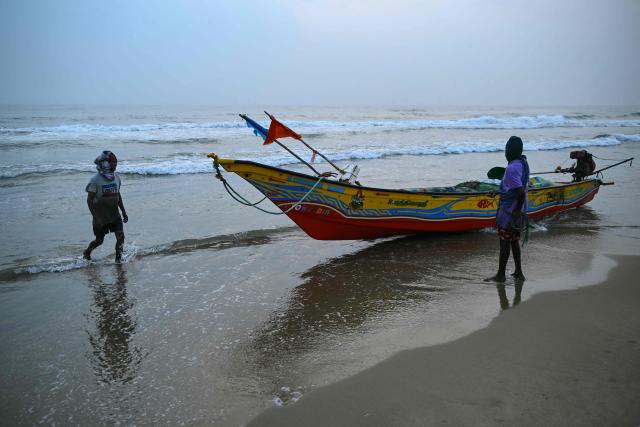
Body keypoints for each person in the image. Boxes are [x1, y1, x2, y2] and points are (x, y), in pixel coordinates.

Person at [485, 136, 530, 283]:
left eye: (507, 149)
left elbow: (520, 192)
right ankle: (518, 272)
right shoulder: (522, 163)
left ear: (509, 152)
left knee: (504, 242)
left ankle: (500, 275)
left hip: (510, 213)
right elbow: (512, 188)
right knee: (514, 241)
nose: (505, 152)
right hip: (519, 212)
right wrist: (498, 191)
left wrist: (516, 210)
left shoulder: (510, 169)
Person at [83, 151, 128, 262]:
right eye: (112, 163)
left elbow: (118, 194)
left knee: (121, 237)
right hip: (100, 217)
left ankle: (118, 261)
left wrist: (123, 211)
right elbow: (89, 200)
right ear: (105, 164)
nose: (114, 166)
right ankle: (87, 251)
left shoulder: (116, 177)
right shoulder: (95, 181)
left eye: (115, 164)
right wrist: (96, 218)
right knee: (99, 241)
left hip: (114, 215)